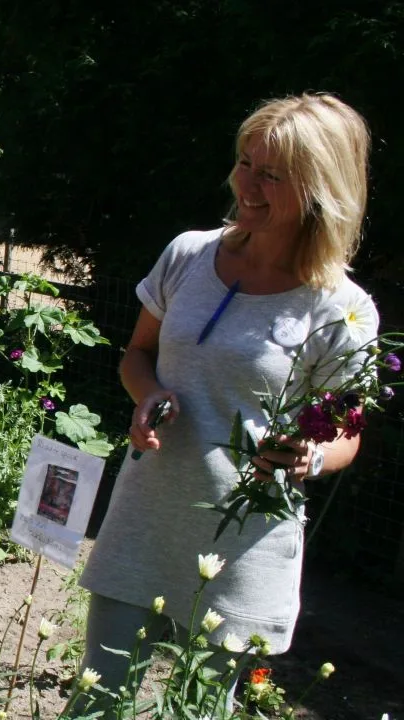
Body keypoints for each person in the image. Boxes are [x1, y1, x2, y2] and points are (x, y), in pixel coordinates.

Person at [79, 93, 377, 707]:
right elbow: (137, 355)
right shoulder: (189, 254)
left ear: (320, 190)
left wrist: (311, 457)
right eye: (245, 163)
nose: (247, 184)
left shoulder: (339, 307)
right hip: (145, 519)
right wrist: (149, 395)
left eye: (272, 175)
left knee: (201, 710)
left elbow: (348, 431)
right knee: (98, 702)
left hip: (245, 542)